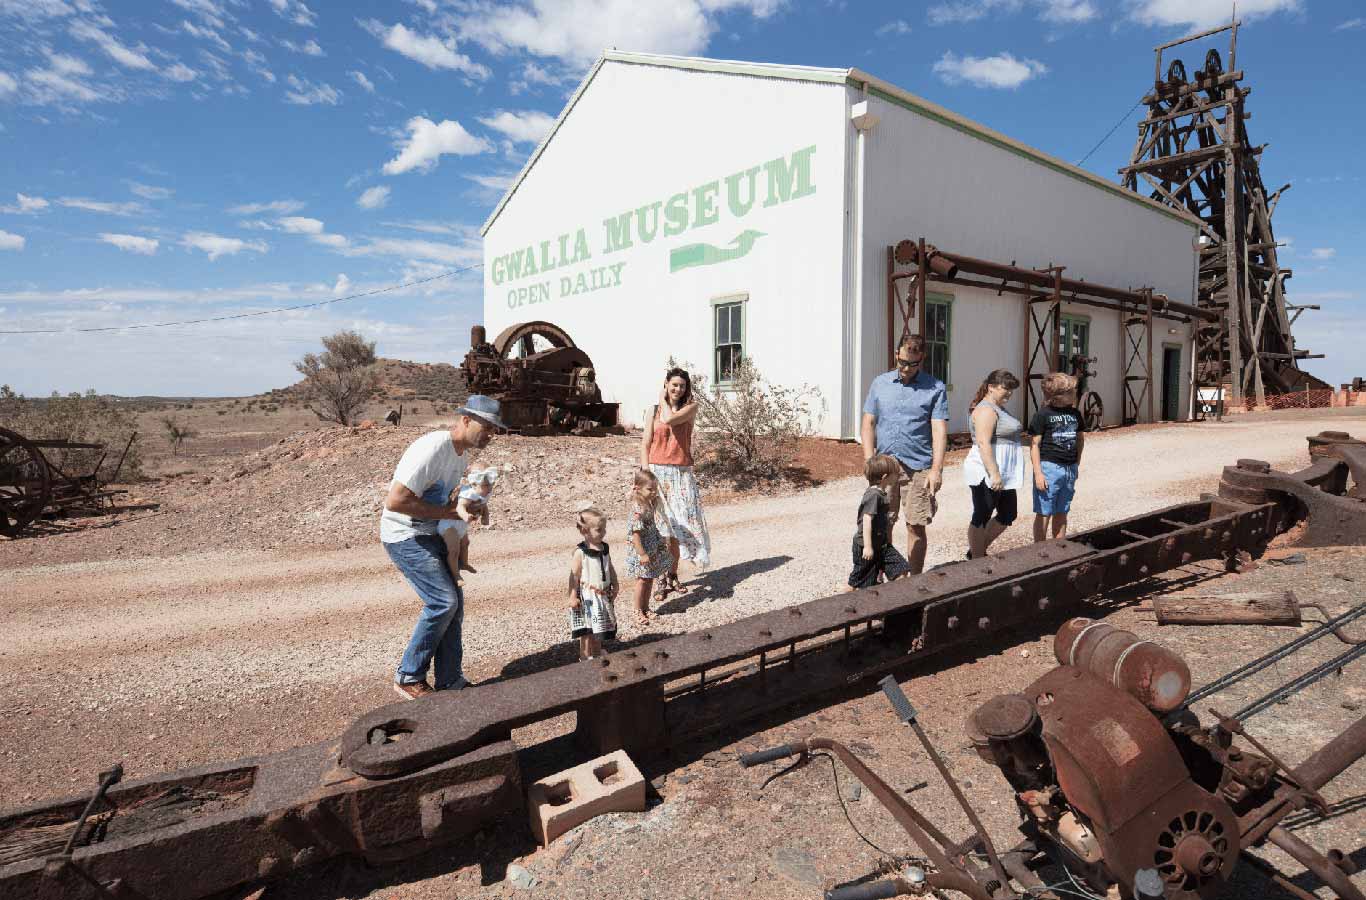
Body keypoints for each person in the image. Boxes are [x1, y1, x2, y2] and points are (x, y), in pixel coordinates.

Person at [380, 394, 506, 700]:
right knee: (443, 603)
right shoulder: (434, 447)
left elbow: (443, 501)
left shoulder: (461, 455)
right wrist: (448, 514)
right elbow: (395, 501)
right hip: (404, 535)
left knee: (455, 606)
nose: (491, 434)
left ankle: (450, 679)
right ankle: (409, 676)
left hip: (428, 532)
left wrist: (464, 508)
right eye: (486, 426)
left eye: (494, 429)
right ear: (465, 419)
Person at [861, 335, 949, 574]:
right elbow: (868, 423)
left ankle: (914, 580)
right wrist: (870, 462)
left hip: (919, 467)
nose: (907, 369)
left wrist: (936, 470)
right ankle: (883, 574)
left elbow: (939, 430)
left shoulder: (935, 388)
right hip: (885, 467)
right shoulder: (880, 384)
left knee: (916, 525)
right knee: (882, 523)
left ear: (922, 359)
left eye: (913, 364)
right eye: (902, 363)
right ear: (896, 355)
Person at [640, 367, 711, 600]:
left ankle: (672, 574)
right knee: (662, 529)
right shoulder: (652, 410)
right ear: (666, 383)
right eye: (674, 385)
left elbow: (670, 418)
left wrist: (662, 397)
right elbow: (646, 444)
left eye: (681, 385)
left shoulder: (691, 408)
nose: (677, 389)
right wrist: (645, 473)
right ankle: (661, 578)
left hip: (680, 474)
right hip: (657, 472)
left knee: (679, 525)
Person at [963, 370, 1025, 560]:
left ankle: (976, 552)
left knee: (1008, 513)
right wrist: (994, 473)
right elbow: (983, 442)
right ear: (991, 387)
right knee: (981, 514)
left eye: (1011, 390)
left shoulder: (997, 407)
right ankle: (978, 559)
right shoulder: (986, 410)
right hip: (986, 470)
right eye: (1005, 388)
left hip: (1003, 471)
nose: (1009, 394)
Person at [1029, 373, 1085, 542]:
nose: (1075, 393)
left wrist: (1077, 463)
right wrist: (1038, 473)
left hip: (1069, 468)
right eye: (1072, 391)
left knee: (1062, 510)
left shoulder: (1075, 414)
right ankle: (1039, 549)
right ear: (1059, 395)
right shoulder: (1043, 415)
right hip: (1049, 468)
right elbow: (1034, 445)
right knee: (1044, 511)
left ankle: (1059, 546)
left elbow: (1080, 438)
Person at [848, 454, 910, 590]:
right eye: (896, 474)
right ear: (884, 477)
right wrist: (868, 547)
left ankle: (894, 601)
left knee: (901, 570)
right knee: (861, 584)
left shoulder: (880, 493)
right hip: (867, 546)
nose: (898, 476)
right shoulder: (874, 495)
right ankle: (841, 599)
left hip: (882, 545)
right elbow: (867, 520)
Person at [567, 506, 620, 660]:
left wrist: (615, 583)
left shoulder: (604, 548)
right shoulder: (580, 552)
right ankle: (584, 656)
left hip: (602, 595)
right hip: (588, 596)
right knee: (587, 630)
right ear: (585, 531)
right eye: (599, 529)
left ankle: (596, 653)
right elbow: (574, 576)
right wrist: (572, 596)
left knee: (599, 628)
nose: (603, 532)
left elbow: (609, 566)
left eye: (604, 529)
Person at [625, 468, 672, 626]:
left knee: (650, 578)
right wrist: (642, 554)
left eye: (655, 489)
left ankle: (646, 607)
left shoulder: (649, 503)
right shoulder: (638, 508)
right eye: (649, 489)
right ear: (638, 488)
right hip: (642, 549)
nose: (653, 492)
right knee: (641, 581)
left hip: (651, 546)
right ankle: (637, 609)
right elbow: (635, 535)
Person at [438, 467, 497, 584]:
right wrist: (465, 515)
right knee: (454, 549)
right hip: (450, 524)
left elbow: (483, 505)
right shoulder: (467, 493)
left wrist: (486, 517)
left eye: (490, 485)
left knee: (465, 543)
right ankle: (456, 575)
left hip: (461, 526)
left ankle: (464, 564)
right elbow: (460, 507)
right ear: (474, 485)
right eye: (485, 486)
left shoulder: (484, 493)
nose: (489, 488)